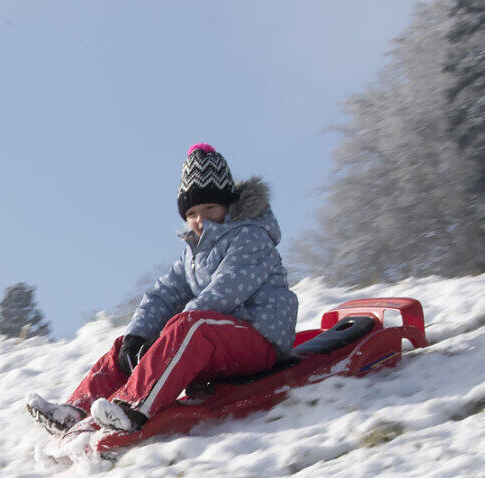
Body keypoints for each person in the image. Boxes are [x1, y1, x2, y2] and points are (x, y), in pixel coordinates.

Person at [26, 143, 298, 433]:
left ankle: (132, 406)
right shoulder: (192, 254)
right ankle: (75, 411)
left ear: (228, 206)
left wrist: (167, 336)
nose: (200, 219)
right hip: (221, 342)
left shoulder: (251, 237)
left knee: (191, 326)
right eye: (192, 212)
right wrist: (138, 337)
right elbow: (163, 294)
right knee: (127, 346)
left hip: (260, 341)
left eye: (209, 208)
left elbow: (225, 292)